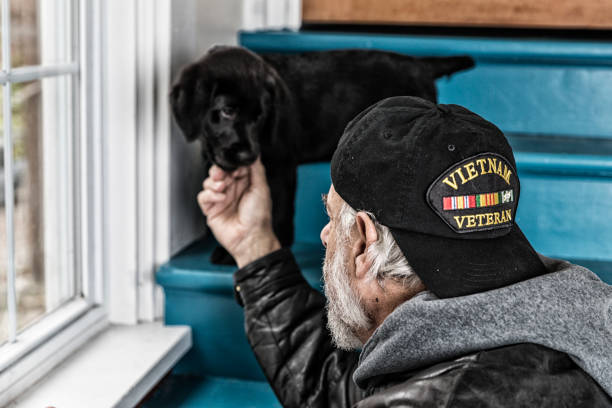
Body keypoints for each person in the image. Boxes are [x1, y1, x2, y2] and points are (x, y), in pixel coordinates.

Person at [198, 96, 612, 407]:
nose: (325, 236)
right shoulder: (577, 320)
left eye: (332, 217)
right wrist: (255, 247)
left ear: (363, 240)